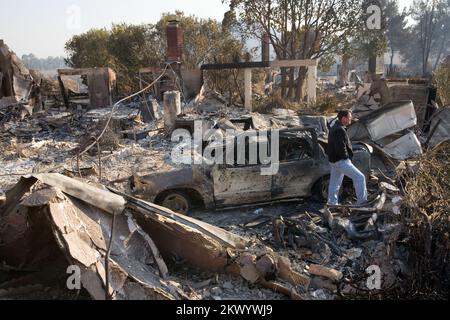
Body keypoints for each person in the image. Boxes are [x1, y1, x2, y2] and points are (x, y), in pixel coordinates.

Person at [327, 110, 367, 206]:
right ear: (343, 118)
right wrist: (346, 157)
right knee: (360, 178)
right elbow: (340, 147)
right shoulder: (339, 130)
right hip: (340, 161)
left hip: (334, 161)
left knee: (335, 183)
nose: (351, 119)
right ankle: (362, 202)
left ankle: (332, 203)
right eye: (349, 117)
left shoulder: (335, 127)